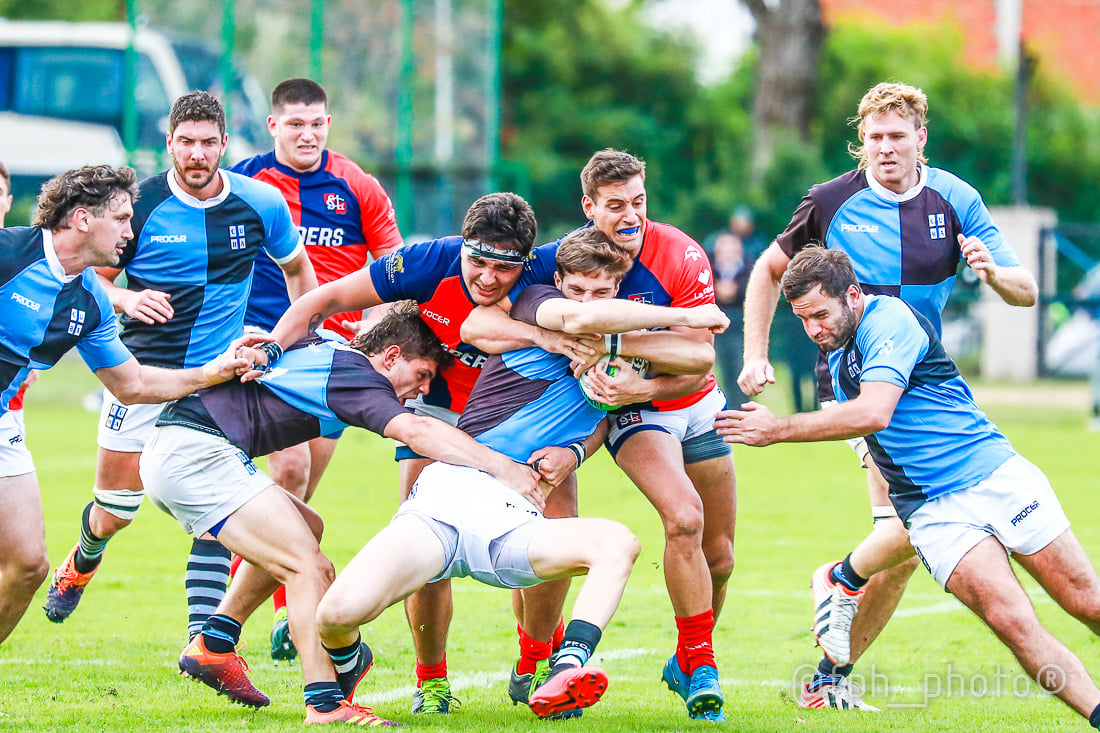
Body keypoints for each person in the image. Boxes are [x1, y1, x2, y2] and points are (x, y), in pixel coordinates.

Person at [313, 226, 728, 721]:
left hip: (513, 522)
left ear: (618, 293)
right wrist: (678, 316)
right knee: (334, 617)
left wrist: (614, 404)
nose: (588, 302)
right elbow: (502, 325)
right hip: (446, 502)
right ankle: (357, 660)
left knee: (618, 543)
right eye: (577, 289)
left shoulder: (621, 347)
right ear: (558, 283)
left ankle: (563, 667)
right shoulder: (535, 303)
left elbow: (701, 357)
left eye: (601, 292)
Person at [737, 82, 1039, 709]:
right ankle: (840, 584)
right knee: (916, 525)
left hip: (927, 384)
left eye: (897, 136)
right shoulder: (830, 200)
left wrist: (993, 272)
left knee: (903, 544)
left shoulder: (958, 199)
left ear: (920, 137)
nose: (885, 148)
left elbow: (1026, 291)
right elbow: (768, 270)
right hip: (859, 384)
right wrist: (755, 353)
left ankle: (826, 674)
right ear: (861, 141)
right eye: (874, 137)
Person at [718, 246, 1100, 727]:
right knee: (1012, 621)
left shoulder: (890, 319)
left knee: (1088, 603)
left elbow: (875, 412)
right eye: (802, 319)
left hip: (995, 476)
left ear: (852, 295)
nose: (813, 329)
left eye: (820, 314)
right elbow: (875, 447)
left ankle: (841, 578)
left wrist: (778, 430)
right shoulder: (838, 364)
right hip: (936, 515)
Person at [252, 191, 589, 713]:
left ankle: (537, 659)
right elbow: (321, 301)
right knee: (424, 533)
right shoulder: (427, 261)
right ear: (462, 246)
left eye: (503, 269)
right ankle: (431, 679)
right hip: (439, 410)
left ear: (525, 260)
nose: (486, 278)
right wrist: (273, 347)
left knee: (561, 525)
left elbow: (615, 263)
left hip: (522, 415)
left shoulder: (550, 267)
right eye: (476, 261)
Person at [140, 304, 540, 725]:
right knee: (308, 569)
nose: (422, 390)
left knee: (309, 527)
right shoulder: (359, 378)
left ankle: (215, 644)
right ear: (390, 356)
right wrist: (501, 466)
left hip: (181, 446)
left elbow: (308, 321)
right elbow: (418, 431)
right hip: (195, 454)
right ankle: (325, 704)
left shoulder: (331, 345)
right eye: (421, 374)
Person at [44, 91, 318, 624]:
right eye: (186, 142)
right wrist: (126, 297)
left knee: (220, 503)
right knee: (115, 510)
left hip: (222, 379)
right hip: (142, 373)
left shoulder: (261, 203)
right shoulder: (138, 207)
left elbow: (298, 273)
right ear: (169, 143)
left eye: (208, 143)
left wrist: (301, 338)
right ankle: (83, 558)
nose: (197, 154)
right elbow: (92, 283)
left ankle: (206, 636)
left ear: (224, 145)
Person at [488, 149, 735, 722]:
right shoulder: (559, 259)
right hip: (622, 411)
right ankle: (547, 660)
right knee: (679, 518)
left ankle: (684, 658)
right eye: (616, 205)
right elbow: (492, 312)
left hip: (688, 402)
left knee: (719, 556)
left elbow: (699, 359)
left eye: (639, 202)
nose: (631, 217)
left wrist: (616, 346)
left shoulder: (677, 252)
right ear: (588, 207)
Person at [0, 164, 255, 647]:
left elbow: (132, 383)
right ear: (81, 219)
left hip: (3, 425)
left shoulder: (92, 299)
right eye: (119, 219)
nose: (130, 231)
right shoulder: (9, 253)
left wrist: (209, 373)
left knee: (29, 565)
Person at [207, 77, 404, 661]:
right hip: (266, 350)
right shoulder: (247, 181)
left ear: (328, 124)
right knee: (288, 472)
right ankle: (277, 607)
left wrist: (384, 328)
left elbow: (393, 267)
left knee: (302, 491)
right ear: (273, 126)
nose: (308, 134)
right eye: (295, 124)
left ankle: (258, 580)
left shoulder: (356, 185)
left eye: (317, 123)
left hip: (334, 356)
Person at [710, 231, 751, 406]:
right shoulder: (710, 269)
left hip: (741, 328)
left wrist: (735, 290)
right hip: (717, 329)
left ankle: (742, 406)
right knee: (723, 369)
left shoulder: (748, 268)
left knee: (740, 367)